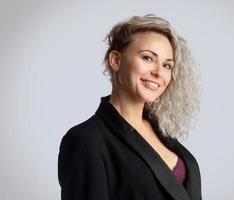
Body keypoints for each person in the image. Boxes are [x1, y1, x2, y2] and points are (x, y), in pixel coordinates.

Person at [58, 14, 202, 200]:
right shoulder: (86, 140)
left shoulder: (162, 131)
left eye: (167, 65)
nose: (159, 72)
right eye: (148, 58)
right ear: (116, 61)